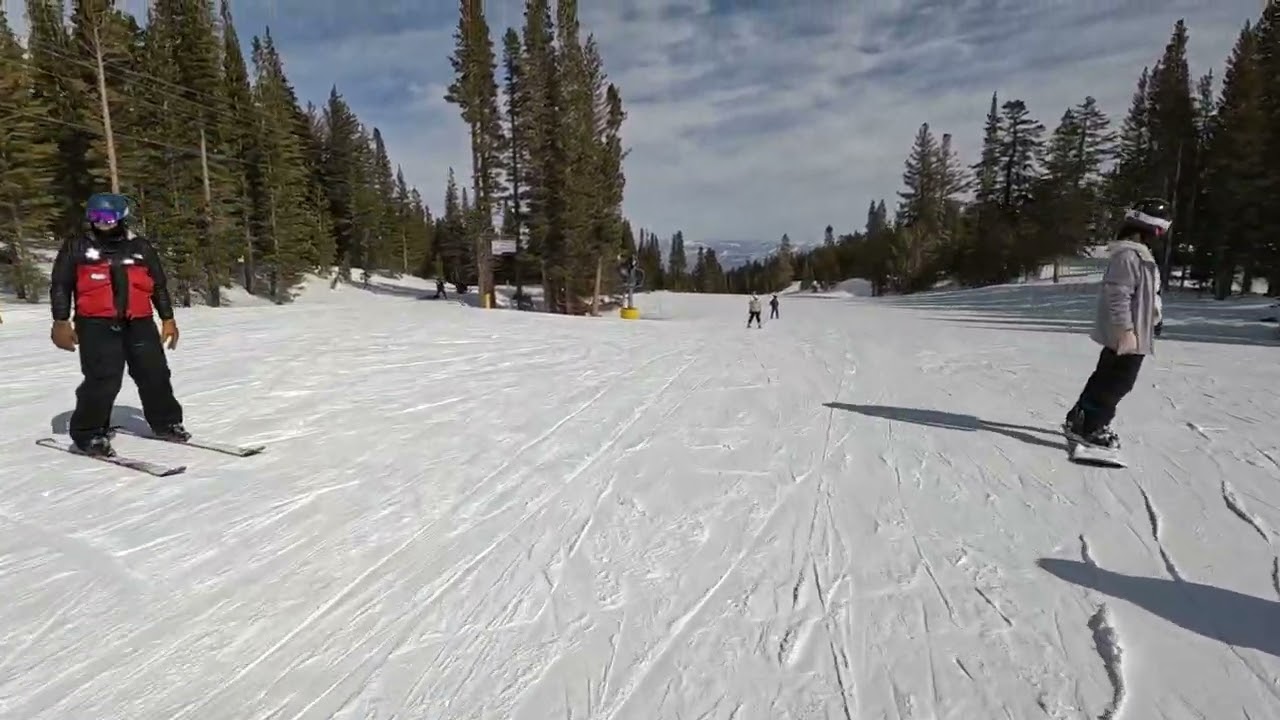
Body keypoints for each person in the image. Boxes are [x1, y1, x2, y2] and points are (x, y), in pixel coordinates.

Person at [49, 192, 188, 457]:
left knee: (154, 373)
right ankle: (90, 433)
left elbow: (158, 285)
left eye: (109, 217)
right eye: (96, 217)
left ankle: (166, 422)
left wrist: (168, 318)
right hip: (95, 323)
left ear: (121, 217)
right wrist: (60, 321)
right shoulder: (77, 246)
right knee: (103, 378)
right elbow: (61, 285)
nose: (102, 223)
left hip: (139, 321)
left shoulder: (140, 247)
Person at [1063, 197, 1170, 452]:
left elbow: (1149, 295)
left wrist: (1155, 319)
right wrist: (1126, 330)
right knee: (1117, 382)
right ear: (1153, 229)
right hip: (1128, 333)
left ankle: (1079, 418)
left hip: (1136, 330)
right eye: (1161, 231)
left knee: (1107, 377)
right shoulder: (1129, 256)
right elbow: (1118, 295)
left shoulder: (1140, 255)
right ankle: (1091, 427)